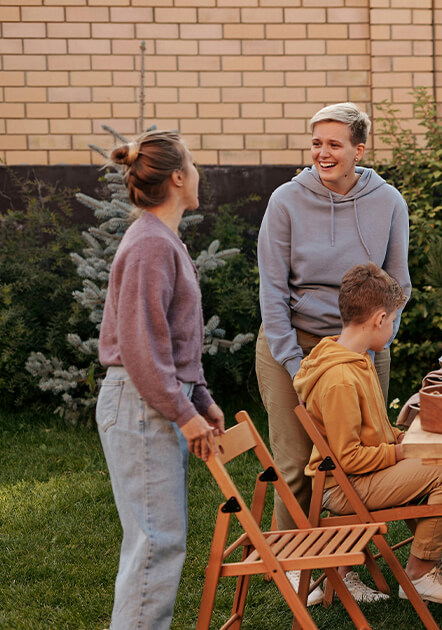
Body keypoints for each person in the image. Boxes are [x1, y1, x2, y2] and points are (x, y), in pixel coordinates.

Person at [256, 102, 412, 545]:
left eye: (334, 144)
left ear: (358, 149)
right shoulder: (286, 201)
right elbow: (271, 289)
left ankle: (351, 563)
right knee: (295, 461)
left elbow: (398, 283)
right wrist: (292, 362)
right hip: (293, 341)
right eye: (316, 144)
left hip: (362, 345)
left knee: (362, 454)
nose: (323, 153)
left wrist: (380, 338)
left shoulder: (388, 202)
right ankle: (292, 559)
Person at [293, 263, 442, 605]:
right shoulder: (339, 379)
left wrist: (402, 437)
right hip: (341, 488)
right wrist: (402, 453)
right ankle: (419, 572)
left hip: (365, 473)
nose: (393, 327)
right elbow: (347, 457)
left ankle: (434, 561)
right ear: (379, 319)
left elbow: (374, 430)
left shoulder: (358, 359)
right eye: (394, 319)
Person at [96, 130, 225, 630]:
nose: (198, 174)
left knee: (156, 542)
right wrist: (184, 414)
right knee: (155, 544)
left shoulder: (162, 239)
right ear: (176, 177)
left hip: (152, 398)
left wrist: (200, 397)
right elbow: (142, 349)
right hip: (140, 402)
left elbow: (170, 340)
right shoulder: (150, 244)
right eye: (192, 166)